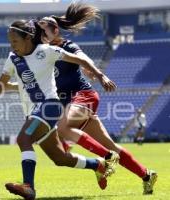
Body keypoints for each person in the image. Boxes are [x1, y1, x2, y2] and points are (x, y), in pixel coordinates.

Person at [0, 20, 119, 200]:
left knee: (23, 138)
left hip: (50, 106)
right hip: (33, 113)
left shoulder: (47, 51)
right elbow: (1, 85)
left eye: (15, 41)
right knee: (60, 158)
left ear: (28, 37)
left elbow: (80, 59)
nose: (12, 46)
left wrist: (100, 75)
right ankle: (98, 165)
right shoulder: (13, 58)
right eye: (10, 42)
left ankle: (29, 187)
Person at [35, 3, 157, 195]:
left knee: (64, 128)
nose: (40, 35)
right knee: (106, 145)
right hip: (69, 104)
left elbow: (85, 59)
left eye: (43, 30)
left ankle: (105, 160)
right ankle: (147, 175)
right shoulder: (43, 52)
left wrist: (99, 74)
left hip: (83, 96)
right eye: (38, 32)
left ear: (55, 30)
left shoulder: (69, 46)